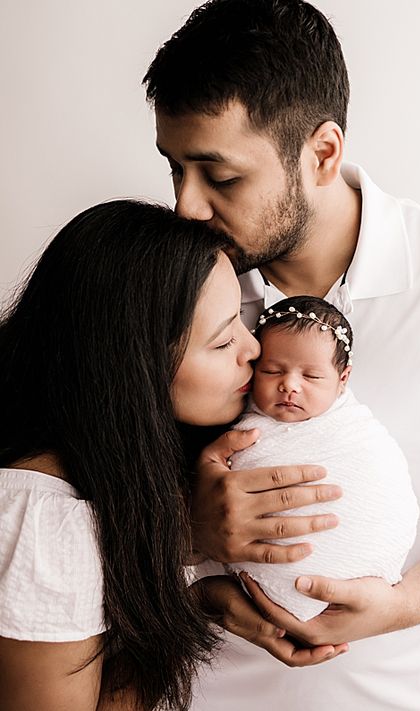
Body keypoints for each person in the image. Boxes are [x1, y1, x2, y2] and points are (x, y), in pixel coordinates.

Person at [143, 0, 420, 708]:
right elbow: (78, 492)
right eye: (175, 170)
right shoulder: (167, 288)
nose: (186, 208)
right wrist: (192, 549)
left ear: (323, 153)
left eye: (219, 176)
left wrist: (405, 601)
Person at [0, 200, 340, 710]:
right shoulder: (46, 525)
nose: (254, 351)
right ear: (134, 368)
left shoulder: (116, 472)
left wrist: (204, 597)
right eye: (224, 342)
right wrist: (182, 566)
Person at [225, 295, 419, 621]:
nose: (289, 385)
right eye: (272, 370)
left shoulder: (356, 432)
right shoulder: (233, 426)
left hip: (372, 607)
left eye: (311, 377)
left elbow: (383, 487)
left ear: (343, 379)